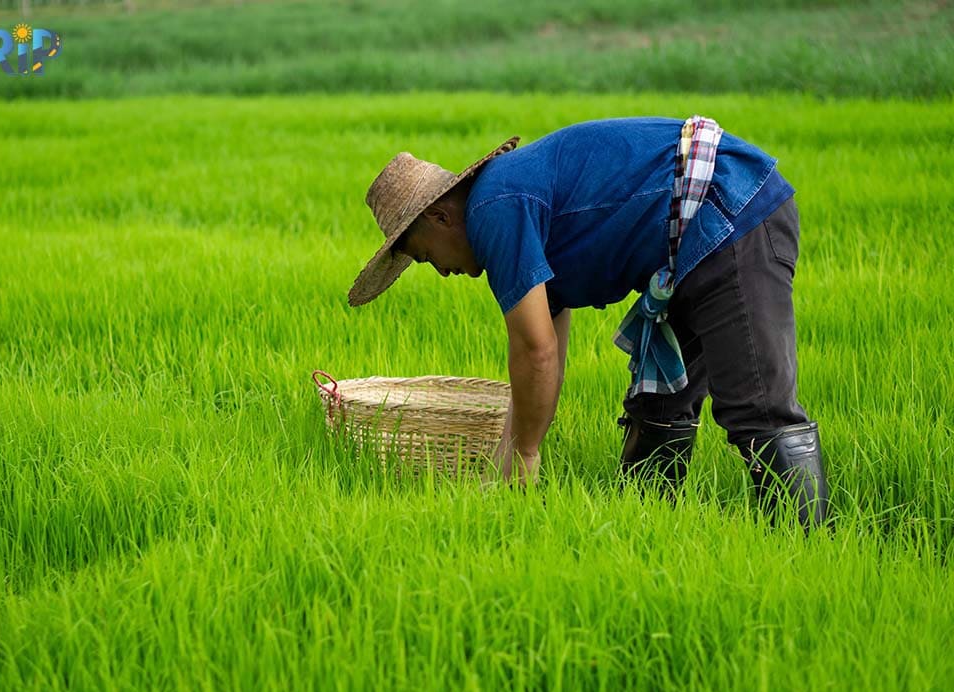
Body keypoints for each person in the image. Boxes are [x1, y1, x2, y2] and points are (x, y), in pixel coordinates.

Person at [347, 117, 829, 531]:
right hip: (694, 233)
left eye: (426, 256)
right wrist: (511, 452)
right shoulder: (511, 205)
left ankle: (805, 552)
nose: (442, 271)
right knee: (659, 404)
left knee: (758, 407)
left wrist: (526, 457)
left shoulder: (493, 209)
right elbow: (543, 362)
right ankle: (648, 534)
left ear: (440, 216)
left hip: (729, 209)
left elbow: (536, 350)